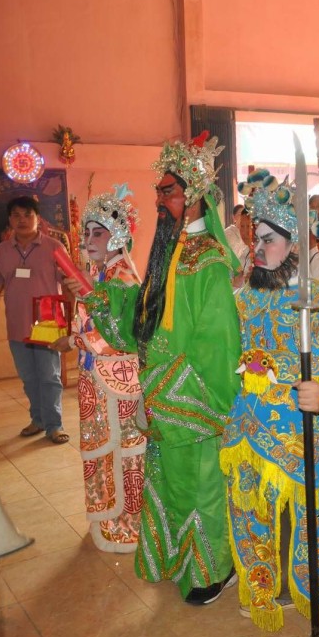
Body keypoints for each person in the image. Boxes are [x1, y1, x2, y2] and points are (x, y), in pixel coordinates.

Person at [73, 133, 241, 604]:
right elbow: (144, 318)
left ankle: (213, 571)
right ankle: (179, 563)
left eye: (168, 190)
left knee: (202, 487)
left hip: (190, 401)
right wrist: (107, 297)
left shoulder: (208, 260)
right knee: (170, 486)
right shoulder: (168, 253)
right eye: (159, 191)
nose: (160, 198)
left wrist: (181, 388)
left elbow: (218, 342)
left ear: (192, 197)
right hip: (161, 396)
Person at [219, 175, 319, 637]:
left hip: (308, 434)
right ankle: (272, 587)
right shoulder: (242, 300)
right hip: (251, 432)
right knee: (259, 515)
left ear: (293, 244)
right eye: (255, 238)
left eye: (268, 240)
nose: (258, 248)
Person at [53, 185, 146, 552]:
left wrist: (76, 339)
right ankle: (106, 516)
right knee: (100, 450)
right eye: (87, 232)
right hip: (94, 379)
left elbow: (121, 335)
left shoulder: (123, 277)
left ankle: (128, 523)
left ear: (118, 236)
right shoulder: (97, 272)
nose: (89, 240)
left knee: (125, 451)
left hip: (117, 379)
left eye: (98, 232)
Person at [0, 195, 69, 444]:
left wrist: (72, 323)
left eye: (28, 214)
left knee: (49, 377)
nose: (22, 220)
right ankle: (38, 420)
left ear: (38, 218)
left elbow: (69, 284)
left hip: (48, 326)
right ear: (9, 220)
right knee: (29, 378)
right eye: (16, 215)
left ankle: (54, 425)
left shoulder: (54, 248)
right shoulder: (1, 252)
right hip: (17, 326)